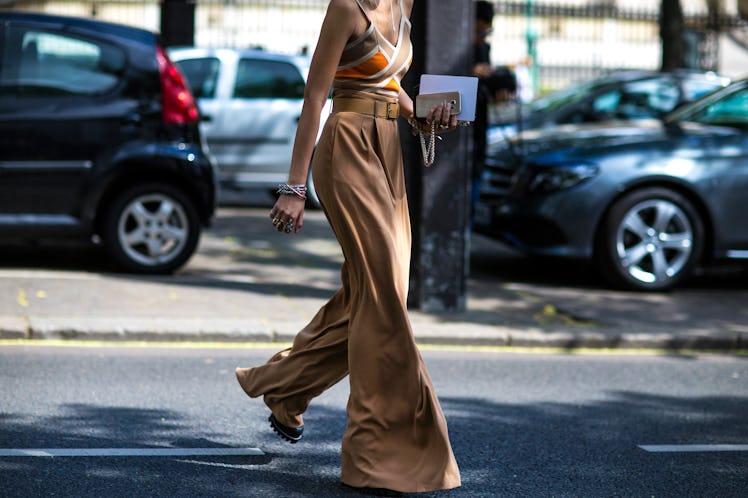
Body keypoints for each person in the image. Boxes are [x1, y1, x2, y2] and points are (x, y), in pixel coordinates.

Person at [234, 0, 461, 494]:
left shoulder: (403, 6)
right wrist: (294, 189)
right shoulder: (345, 8)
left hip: (388, 149)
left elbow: (390, 85)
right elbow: (315, 98)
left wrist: (426, 115)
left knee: (379, 296)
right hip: (348, 149)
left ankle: (283, 386)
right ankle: (375, 450)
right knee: (382, 300)